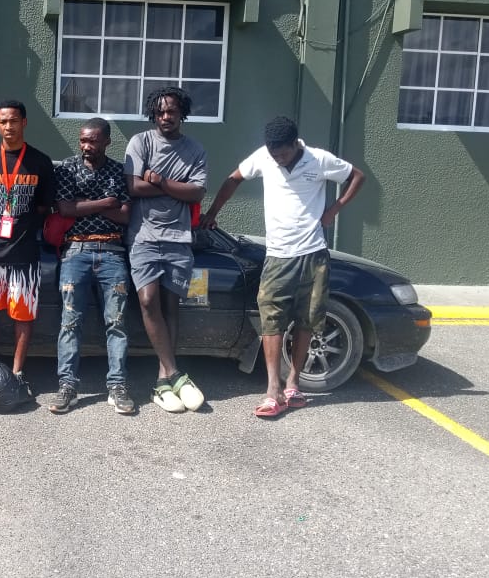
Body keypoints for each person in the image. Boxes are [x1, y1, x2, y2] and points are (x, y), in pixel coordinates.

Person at [203, 116, 364, 417]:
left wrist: (334, 210)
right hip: (278, 255)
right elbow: (234, 178)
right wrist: (213, 211)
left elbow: (357, 176)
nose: (277, 158)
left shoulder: (319, 159)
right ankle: (272, 390)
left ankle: (293, 384)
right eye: (273, 154)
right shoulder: (263, 157)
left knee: (307, 319)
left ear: (295, 144)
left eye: (283, 154)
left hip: (313, 253)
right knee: (271, 320)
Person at [124, 86, 207, 413]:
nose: (165, 117)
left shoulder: (195, 149)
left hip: (179, 238)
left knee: (171, 306)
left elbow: (197, 193)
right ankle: (175, 373)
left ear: (181, 113)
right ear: (153, 114)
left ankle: (162, 381)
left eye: (171, 111)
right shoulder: (140, 142)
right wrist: (176, 187)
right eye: (159, 112)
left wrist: (159, 181)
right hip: (143, 236)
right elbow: (133, 186)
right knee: (148, 301)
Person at [0, 100, 55, 393]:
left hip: (24, 253)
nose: (8, 127)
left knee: (23, 316)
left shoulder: (40, 161)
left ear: (24, 122)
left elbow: (44, 206)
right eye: (3, 121)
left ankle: (17, 374)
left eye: (14, 121)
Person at [47, 117, 135, 415]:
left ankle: (118, 386)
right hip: (77, 251)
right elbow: (65, 208)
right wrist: (107, 202)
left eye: (93, 141)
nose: (86, 146)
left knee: (117, 323)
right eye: (83, 140)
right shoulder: (67, 169)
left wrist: (85, 204)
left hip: (112, 252)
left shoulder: (119, 171)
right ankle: (67, 386)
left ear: (107, 141)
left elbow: (126, 215)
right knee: (70, 322)